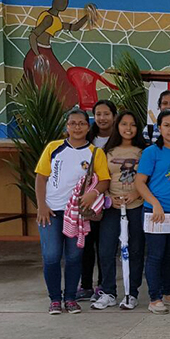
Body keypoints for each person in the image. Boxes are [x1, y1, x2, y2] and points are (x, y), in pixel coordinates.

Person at [35, 109, 110, 314]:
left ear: (88, 127)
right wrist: (42, 205)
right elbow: (41, 177)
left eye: (81, 123)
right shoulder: (54, 148)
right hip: (51, 211)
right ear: (66, 127)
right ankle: (54, 299)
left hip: (78, 213)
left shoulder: (95, 153)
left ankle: (70, 298)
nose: (77, 127)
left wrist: (92, 194)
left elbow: (104, 180)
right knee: (51, 255)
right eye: (73, 123)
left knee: (74, 256)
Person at [135, 110, 170, 314]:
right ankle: (155, 297)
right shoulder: (152, 152)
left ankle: (169, 293)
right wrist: (155, 203)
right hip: (156, 212)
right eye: (166, 125)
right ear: (159, 128)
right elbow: (139, 182)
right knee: (156, 255)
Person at [93, 110, 149, 311]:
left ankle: (131, 293)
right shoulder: (106, 152)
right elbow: (99, 178)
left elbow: (150, 178)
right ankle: (108, 292)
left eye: (132, 124)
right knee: (106, 249)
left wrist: (137, 194)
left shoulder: (145, 151)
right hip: (112, 206)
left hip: (136, 205)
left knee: (135, 250)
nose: (128, 128)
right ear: (117, 126)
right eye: (124, 124)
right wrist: (108, 197)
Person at [77, 99, 117, 300]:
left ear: (114, 116)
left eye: (106, 114)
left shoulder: (119, 139)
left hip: (109, 201)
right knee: (86, 242)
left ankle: (103, 284)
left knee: (105, 245)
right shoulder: (87, 138)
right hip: (87, 201)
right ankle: (85, 285)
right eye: (98, 114)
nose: (102, 118)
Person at [24, 0, 90, 108]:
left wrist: (88, 16)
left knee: (60, 82)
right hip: (40, 53)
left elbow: (74, 27)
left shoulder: (56, 20)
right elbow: (33, 36)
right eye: (62, 1)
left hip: (46, 52)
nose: (64, 4)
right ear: (54, 2)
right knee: (57, 83)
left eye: (65, 2)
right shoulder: (48, 18)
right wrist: (37, 55)